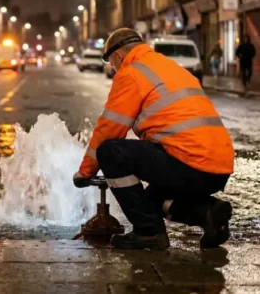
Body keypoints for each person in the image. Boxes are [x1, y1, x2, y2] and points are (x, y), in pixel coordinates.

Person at [73, 28, 234, 250]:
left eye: (112, 63)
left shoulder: (132, 72)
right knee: (148, 202)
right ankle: (209, 213)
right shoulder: (169, 67)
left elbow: (110, 128)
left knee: (110, 152)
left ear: (119, 56)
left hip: (190, 163)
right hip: (217, 168)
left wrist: (86, 171)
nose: (114, 68)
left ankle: (148, 232)